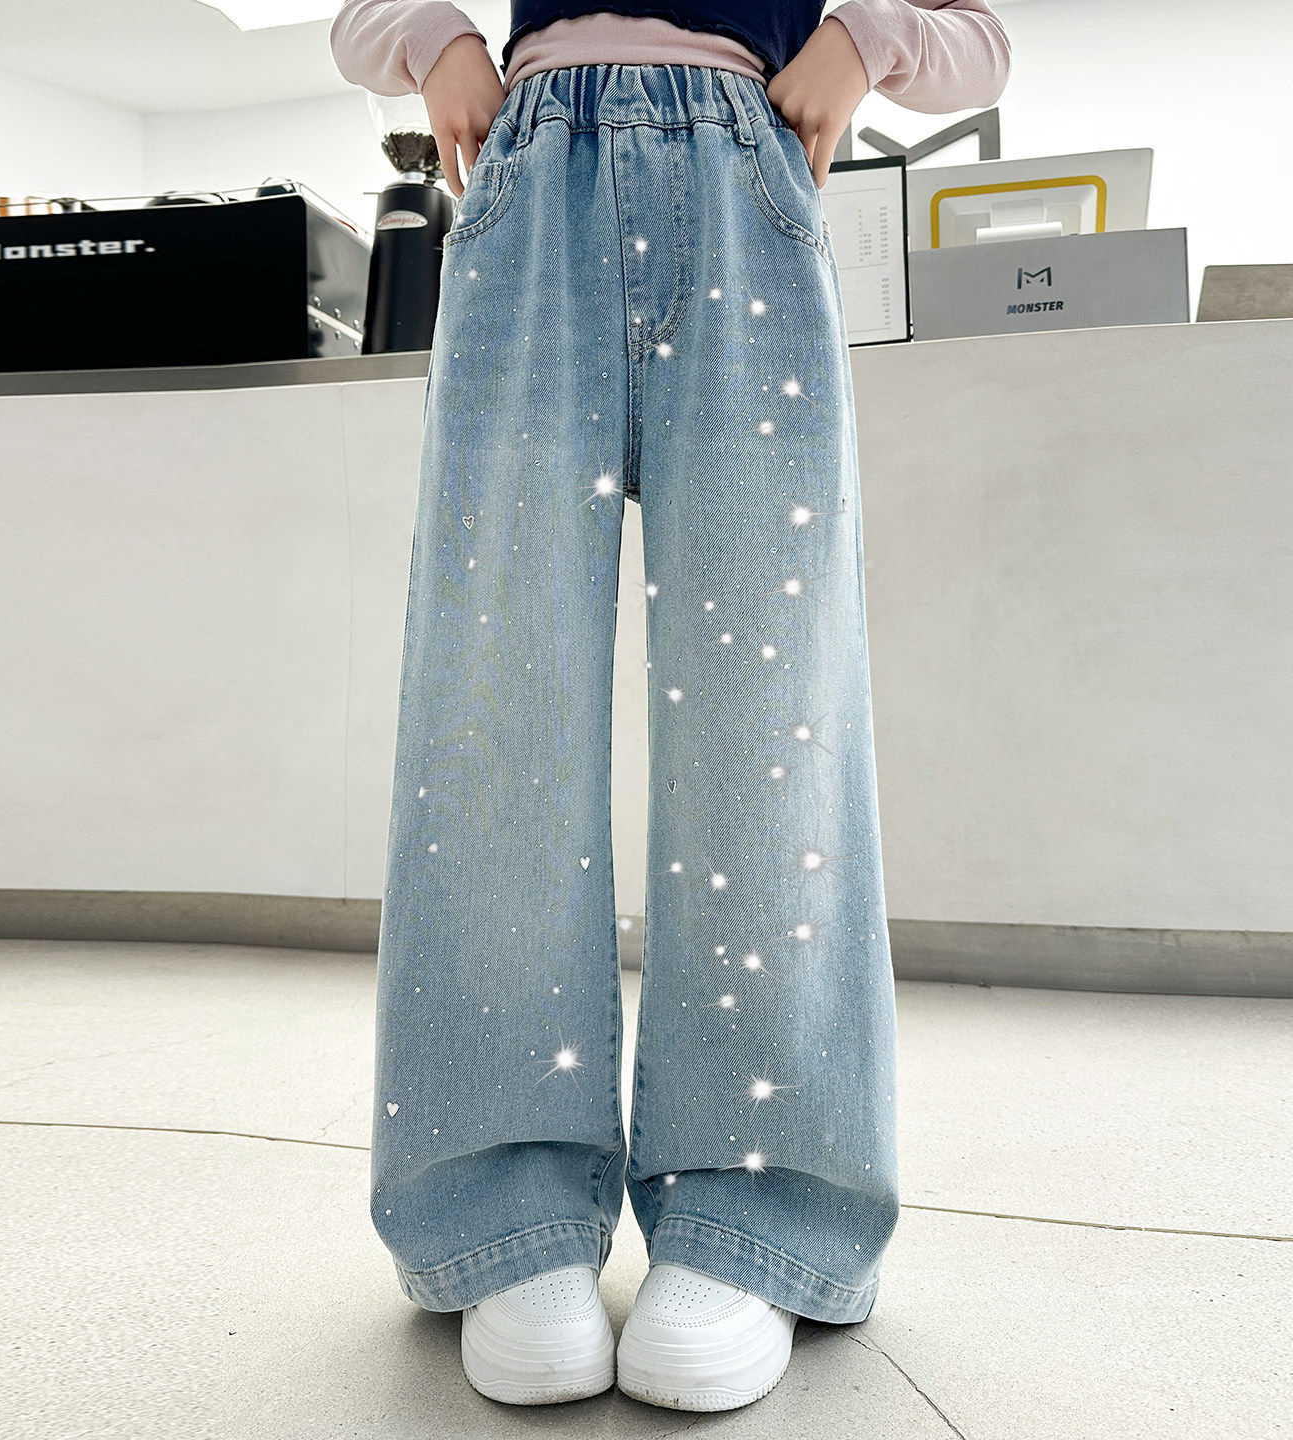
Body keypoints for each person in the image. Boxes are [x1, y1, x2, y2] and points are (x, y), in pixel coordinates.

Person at [331, 0, 1009, 1413]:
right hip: (531, 185)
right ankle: (502, 1204)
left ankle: (756, 1209)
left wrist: (866, 40)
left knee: (771, 727)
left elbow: (984, 38)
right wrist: (434, 41)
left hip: (742, 185)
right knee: (494, 720)